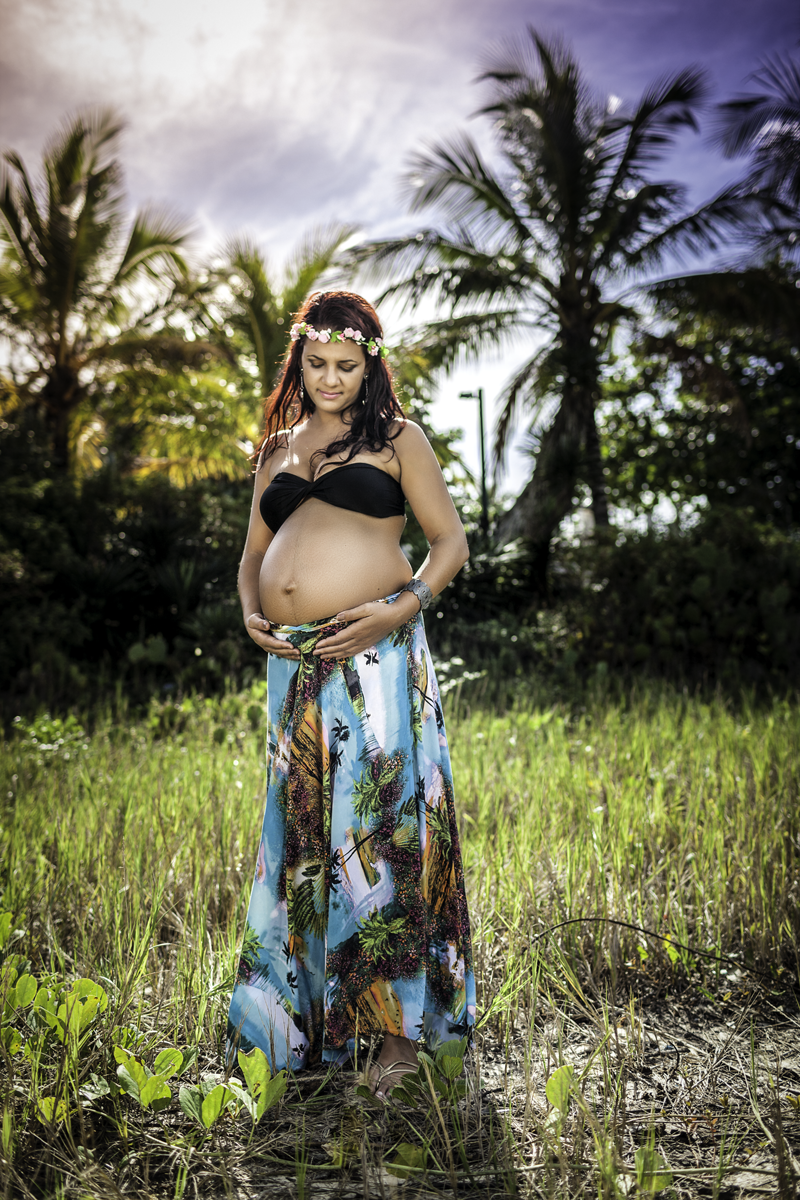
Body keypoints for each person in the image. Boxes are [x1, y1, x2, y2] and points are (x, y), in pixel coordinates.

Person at [226, 290, 475, 1100]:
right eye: (317, 362)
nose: (330, 377)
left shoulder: (397, 439)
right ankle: (295, 1028)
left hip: (377, 658)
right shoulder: (277, 447)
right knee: (299, 838)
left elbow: (449, 543)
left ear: (369, 365)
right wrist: (252, 609)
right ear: (297, 358)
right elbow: (251, 554)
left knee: (376, 836)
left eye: (346, 364)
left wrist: (400, 608)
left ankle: (395, 1038)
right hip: (294, 667)